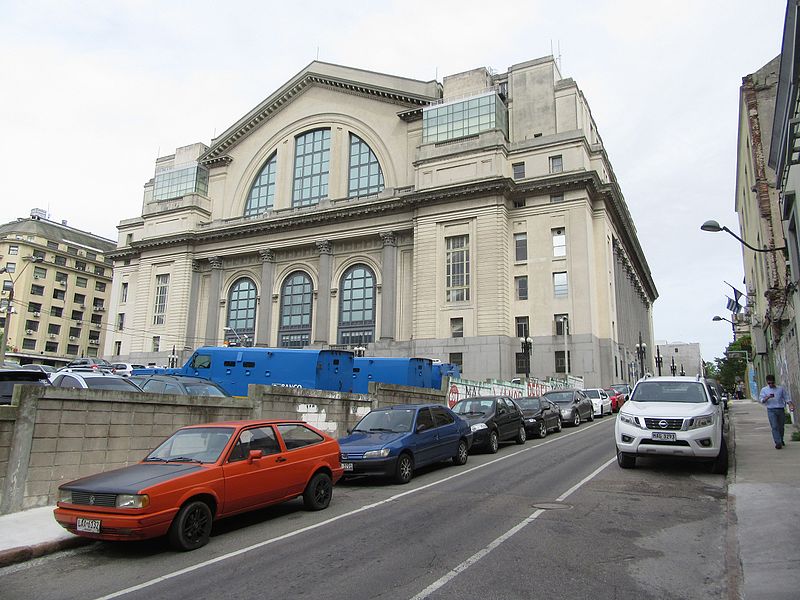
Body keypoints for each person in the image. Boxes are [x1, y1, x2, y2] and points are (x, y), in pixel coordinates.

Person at [758, 374, 795, 449]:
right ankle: (778, 442)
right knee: (774, 426)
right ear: (767, 382)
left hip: (780, 409)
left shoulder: (780, 389)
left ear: (774, 381)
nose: (771, 384)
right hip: (771, 410)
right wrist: (767, 397)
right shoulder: (764, 390)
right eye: (769, 383)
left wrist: (791, 405)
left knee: (781, 427)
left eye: (772, 383)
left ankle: (781, 440)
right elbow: (762, 400)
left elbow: (786, 397)